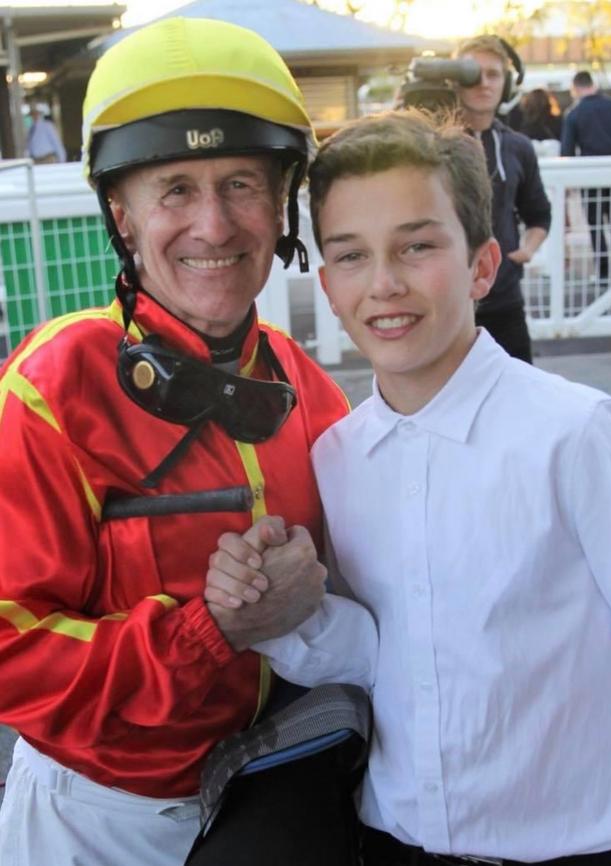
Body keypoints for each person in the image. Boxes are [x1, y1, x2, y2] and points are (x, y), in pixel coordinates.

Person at [208, 108, 611, 866]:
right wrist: (275, 616)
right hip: (392, 845)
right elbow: (383, 654)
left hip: (577, 853)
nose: (385, 284)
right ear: (329, 285)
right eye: (352, 256)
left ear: (482, 265)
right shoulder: (341, 457)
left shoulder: (577, 437)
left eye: (417, 246)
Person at [0, 16, 372, 866]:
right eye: (174, 188)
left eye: (241, 183)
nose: (214, 225)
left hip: (277, 789)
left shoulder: (309, 392)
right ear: (121, 216)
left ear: (280, 206)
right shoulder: (50, 389)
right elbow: (9, 651)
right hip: (97, 821)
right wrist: (210, 631)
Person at [455, 35, 551, 363]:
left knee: (519, 402)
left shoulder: (518, 147)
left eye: (494, 74)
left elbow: (539, 213)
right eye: (473, 73)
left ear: (507, 84)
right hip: (446, 303)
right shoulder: (430, 145)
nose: (484, 83)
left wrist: (526, 251)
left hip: (505, 300)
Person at [561, 70, 611, 285]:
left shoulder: (575, 114)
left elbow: (566, 150)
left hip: (590, 174)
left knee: (595, 223)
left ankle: (603, 271)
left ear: (576, 87)